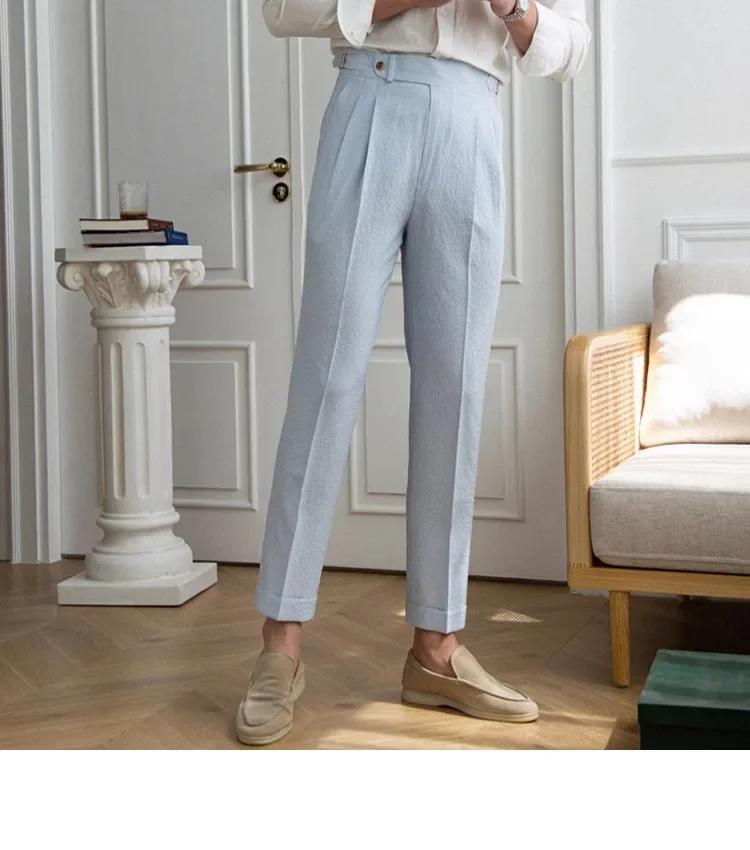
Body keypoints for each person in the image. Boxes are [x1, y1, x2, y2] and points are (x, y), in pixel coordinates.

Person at [236, 0, 590, 746]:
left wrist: (513, 8)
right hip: (372, 97)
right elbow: (282, 10)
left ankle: (436, 647)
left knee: (453, 393)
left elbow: (571, 48)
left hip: (471, 117)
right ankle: (281, 642)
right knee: (327, 378)